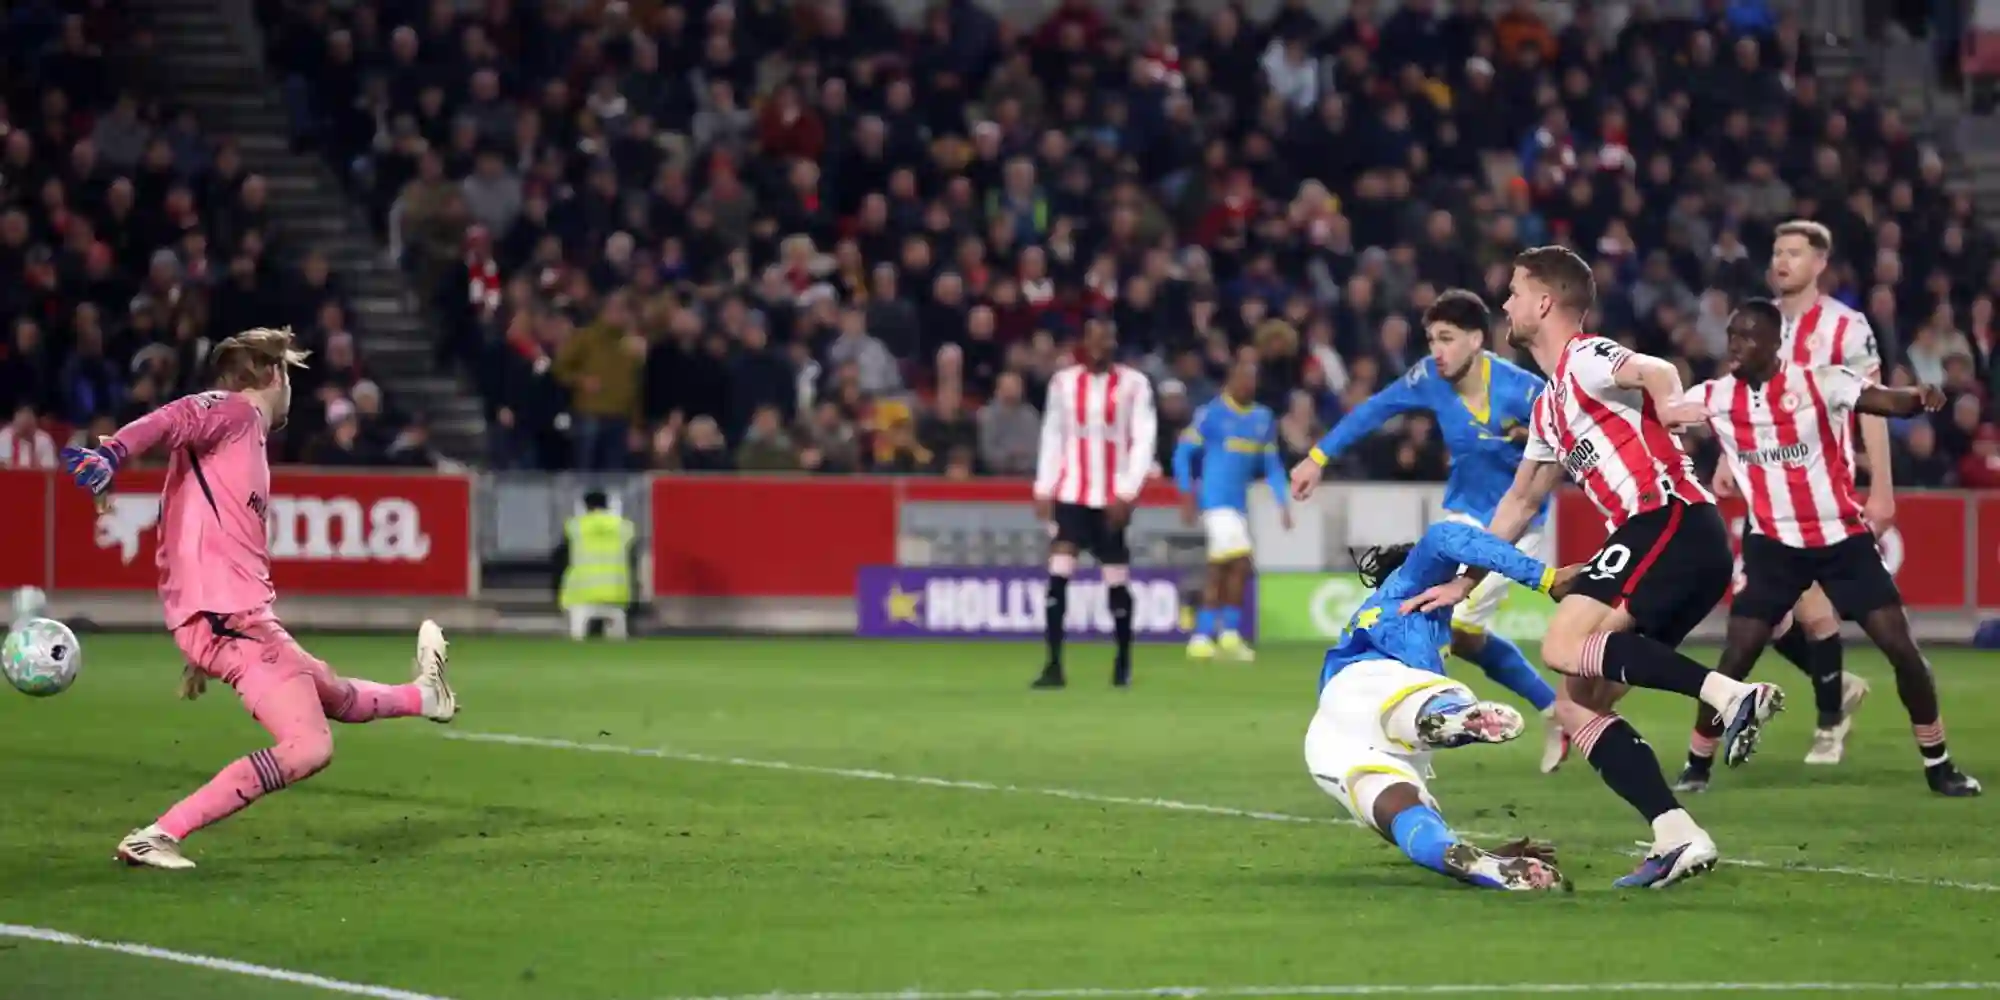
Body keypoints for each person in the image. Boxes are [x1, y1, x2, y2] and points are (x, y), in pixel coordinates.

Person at [1403, 246, 1782, 889]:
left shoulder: (1585, 356)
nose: (1506, 304)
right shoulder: (1551, 406)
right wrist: (1465, 581)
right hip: (1669, 542)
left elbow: (1655, 369)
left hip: (1668, 518)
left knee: (1562, 642)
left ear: (1545, 302)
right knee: (1577, 704)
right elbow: (1520, 502)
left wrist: (1670, 402)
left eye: (1516, 292)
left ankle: (1729, 694)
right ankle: (1677, 833)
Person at [58, 328, 456, 870]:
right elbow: (171, 416)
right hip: (228, 620)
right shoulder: (236, 411)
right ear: (274, 375)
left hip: (229, 620)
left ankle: (425, 696)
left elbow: (187, 526)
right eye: (289, 374)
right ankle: (158, 834)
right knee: (309, 747)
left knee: (334, 694)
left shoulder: (243, 441)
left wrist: (196, 638)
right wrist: (116, 452)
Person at [1672, 300, 1980, 797]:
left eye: (1747, 336)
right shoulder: (1714, 395)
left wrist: (1919, 396)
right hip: (1773, 545)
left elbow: (1884, 401)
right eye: (1732, 335)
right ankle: (1696, 764)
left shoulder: (1820, 381)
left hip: (1840, 539)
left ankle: (1939, 763)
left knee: (1902, 651)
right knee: (1735, 657)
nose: (1735, 344)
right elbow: (1662, 415)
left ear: (1775, 345)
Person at [1291, 289, 1562, 770]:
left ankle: (1428, 726)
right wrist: (1317, 457)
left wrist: (1534, 442)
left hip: (1513, 526)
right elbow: (1376, 409)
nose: (1436, 350)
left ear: (1477, 339)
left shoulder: (1523, 390)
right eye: (1431, 338)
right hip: (1460, 514)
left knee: (1454, 624)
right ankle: (1549, 709)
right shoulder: (1428, 379)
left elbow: (1571, 439)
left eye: (1447, 338)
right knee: (1454, 629)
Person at [1307, 520, 1576, 892]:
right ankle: (1448, 717)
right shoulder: (1408, 586)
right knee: (1436, 697)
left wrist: (1549, 704)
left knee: (1408, 814)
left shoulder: (1407, 622)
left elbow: (1492, 655)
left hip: (1330, 743)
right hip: (1370, 684)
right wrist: (1545, 578)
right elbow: (1444, 537)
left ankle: (1463, 857)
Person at [1706, 219, 1886, 764]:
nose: (1781, 261)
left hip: (1820, 482)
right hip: (1765, 480)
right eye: (1776, 252)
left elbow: (1872, 403)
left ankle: (1830, 721)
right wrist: (1725, 454)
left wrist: (1881, 486)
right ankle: (1838, 690)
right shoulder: (1757, 323)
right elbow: (1736, 393)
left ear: (1820, 263)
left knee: (1802, 609)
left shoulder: (1845, 327)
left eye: (1794, 253)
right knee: (1773, 612)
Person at [1030, 318, 1157, 689]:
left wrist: (1129, 491)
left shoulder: (1134, 385)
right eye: (1093, 338)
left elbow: (1143, 439)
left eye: (1106, 338)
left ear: (1115, 342)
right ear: (1084, 342)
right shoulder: (1063, 383)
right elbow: (1053, 435)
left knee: (1115, 577)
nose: (1099, 344)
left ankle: (1122, 664)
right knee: (1058, 573)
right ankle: (1053, 666)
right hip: (1071, 493)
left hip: (1111, 497)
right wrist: (1043, 487)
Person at [1172, 352, 1291, 661]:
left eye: (1254, 380)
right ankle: (1213, 634)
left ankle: (1214, 634)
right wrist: (1187, 493)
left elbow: (1272, 465)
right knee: (1235, 561)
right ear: (1230, 381)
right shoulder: (1211, 414)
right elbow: (1183, 454)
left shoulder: (1262, 419)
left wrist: (1283, 501)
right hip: (1214, 501)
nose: (1249, 385)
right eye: (1243, 378)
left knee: (1229, 566)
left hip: (1239, 506)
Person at [555, 488, 637, 640]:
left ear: (584, 506)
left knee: (576, 631)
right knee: (617, 639)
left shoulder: (575, 527)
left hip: (581, 594)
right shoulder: (624, 527)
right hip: (616, 594)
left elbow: (560, 558)